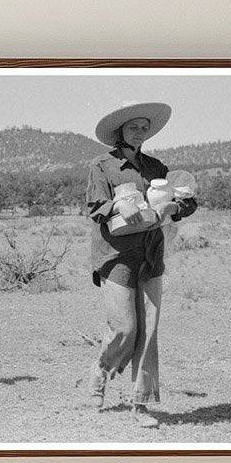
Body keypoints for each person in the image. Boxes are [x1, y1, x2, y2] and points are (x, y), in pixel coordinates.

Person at [85, 101, 198, 427]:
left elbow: (185, 202)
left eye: (144, 127)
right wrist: (117, 205)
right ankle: (103, 369)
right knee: (125, 328)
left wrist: (175, 207)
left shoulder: (156, 167)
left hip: (151, 253)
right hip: (116, 255)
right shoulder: (101, 166)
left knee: (148, 332)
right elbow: (95, 207)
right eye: (134, 127)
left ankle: (141, 405)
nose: (139, 132)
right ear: (120, 131)